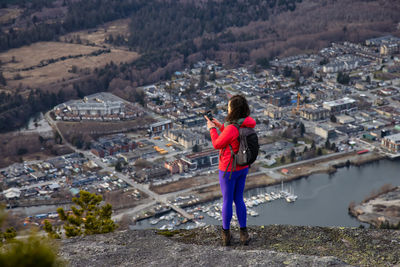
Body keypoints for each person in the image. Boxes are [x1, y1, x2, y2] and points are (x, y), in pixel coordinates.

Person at [204, 94, 256, 246]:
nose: (227, 109)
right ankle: (244, 234)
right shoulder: (246, 124)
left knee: (227, 200)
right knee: (239, 199)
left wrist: (212, 129)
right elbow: (232, 136)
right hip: (243, 167)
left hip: (228, 169)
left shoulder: (232, 128)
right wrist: (220, 125)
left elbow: (217, 144)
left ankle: (226, 236)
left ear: (233, 110)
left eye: (228, 107)